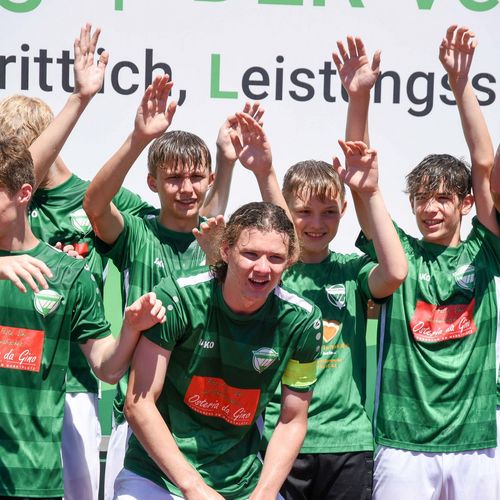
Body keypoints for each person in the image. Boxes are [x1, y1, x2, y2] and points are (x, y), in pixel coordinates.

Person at [82, 74, 265, 498]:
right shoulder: (137, 232)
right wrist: (139, 138)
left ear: (209, 179)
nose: (187, 189)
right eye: (174, 179)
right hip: (140, 415)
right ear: (153, 183)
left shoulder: (222, 240)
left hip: (206, 422)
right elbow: (94, 205)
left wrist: (227, 164)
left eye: (196, 177)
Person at [0, 25, 158, 500]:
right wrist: (80, 98)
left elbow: (175, 222)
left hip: (69, 384)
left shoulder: (93, 199)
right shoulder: (13, 206)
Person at [354, 26, 500, 499]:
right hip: (402, 443)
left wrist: (460, 84)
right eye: (421, 198)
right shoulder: (399, 253)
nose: (430, 208)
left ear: (466, 204)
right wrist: (359, 98)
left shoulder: (485, 250)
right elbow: (362, 181)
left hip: (476, 443)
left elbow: (484, 166)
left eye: (442, 198)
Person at [112, 201, 321, 499]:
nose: (262, 268)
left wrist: (263, 495)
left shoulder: (303, 320)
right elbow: (138, 403)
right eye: (250, 254)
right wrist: (194, 487)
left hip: (241, 484)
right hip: (157, 477)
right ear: (225, 250)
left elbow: (292, 419)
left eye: (275, 258)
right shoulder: (177, 297)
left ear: (289, 261)